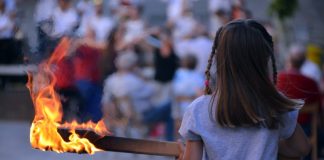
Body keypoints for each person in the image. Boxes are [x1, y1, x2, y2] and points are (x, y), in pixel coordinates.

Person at [178, 19, 310, 160]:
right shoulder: (275, 105)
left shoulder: (198, 110)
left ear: (220, 59)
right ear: (264, 60)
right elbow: (302, 148)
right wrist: (271, 143)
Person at [277, 44, 321, 135]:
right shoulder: (311, 82)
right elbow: (318, 107)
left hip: (281, 128)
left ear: (288, 59)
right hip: (305, 130)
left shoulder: (277, 79)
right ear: (304, 62)